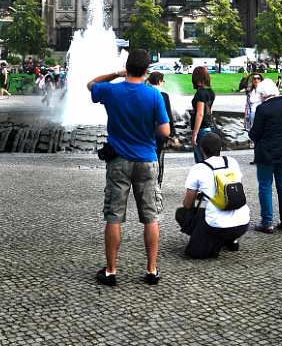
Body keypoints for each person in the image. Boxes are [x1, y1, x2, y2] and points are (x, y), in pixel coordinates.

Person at [87, 48, 170, 286]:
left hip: (119, 161)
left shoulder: (112, 91)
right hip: (146, 159)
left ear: (127, 67)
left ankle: (111, 270)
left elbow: (90, 84)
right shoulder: (153, 94)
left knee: (114, 216)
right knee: (150, 216)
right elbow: (165, 131)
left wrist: (115, 73)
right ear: (146, 70)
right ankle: (151, 270)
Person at [176, 132, 250, 258]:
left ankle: (214, 241)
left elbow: (187, 204)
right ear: (221, 148)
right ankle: (231, 239)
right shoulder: (232, 162)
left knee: (182, 214)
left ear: (202, 149)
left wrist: (200, 197)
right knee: (208, 207)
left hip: (217, 226)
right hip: (243, 223)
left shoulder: (199, 168)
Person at [249, 77, 282, 233]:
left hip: (266, 154)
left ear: (263, 94)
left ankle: (267, 222)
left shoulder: (263, 109)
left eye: (260, 95)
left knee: (265, 186)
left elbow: (255, 134)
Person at [147, 71, 175, 187]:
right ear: (159, 81)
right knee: (159, 157)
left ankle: (147, 180)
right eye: (163, 81)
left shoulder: (145, 93)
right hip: (160, 131)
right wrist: (171, 133)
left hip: (147, 130)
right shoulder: (163, 96)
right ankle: (158, 182)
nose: (163, 83)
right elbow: (168, 115)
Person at [190, 65, 215, 163]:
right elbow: (209, 111)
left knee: (200, 160)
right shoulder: (211, 92)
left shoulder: (200, 93)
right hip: (210, 127)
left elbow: (200, 113)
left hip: (201, 129)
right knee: (209, 160)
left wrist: (194, 134)